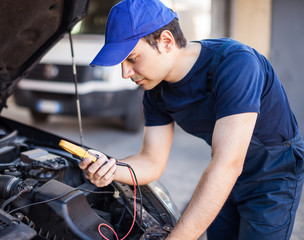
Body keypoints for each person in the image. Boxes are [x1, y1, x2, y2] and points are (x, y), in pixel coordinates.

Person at [79, 0, 304, 239]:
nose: (125, 73)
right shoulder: (156, 91)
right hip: (223, 172)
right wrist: (111, 168)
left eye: (132, 58)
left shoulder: (236, 64)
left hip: (273, 174)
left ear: (166, 41)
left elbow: (228, 165)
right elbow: (151, 160)